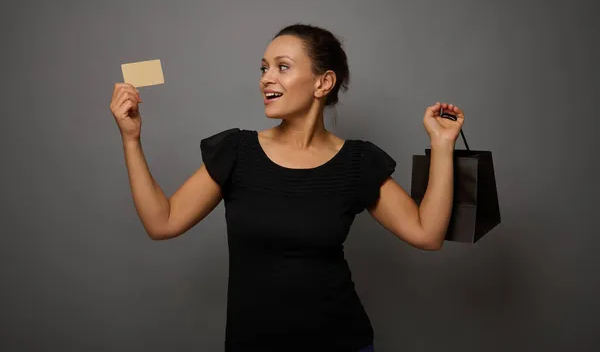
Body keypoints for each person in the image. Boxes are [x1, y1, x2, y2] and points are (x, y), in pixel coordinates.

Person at [109, 23, 464, 352]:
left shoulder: (358, 162)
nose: (266, 78)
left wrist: (443, 145)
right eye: (263, 68)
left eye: (282, 67)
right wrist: (131, 139)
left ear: (323, 83)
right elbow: (162, 222)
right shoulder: (237, 151)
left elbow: (427, 234)